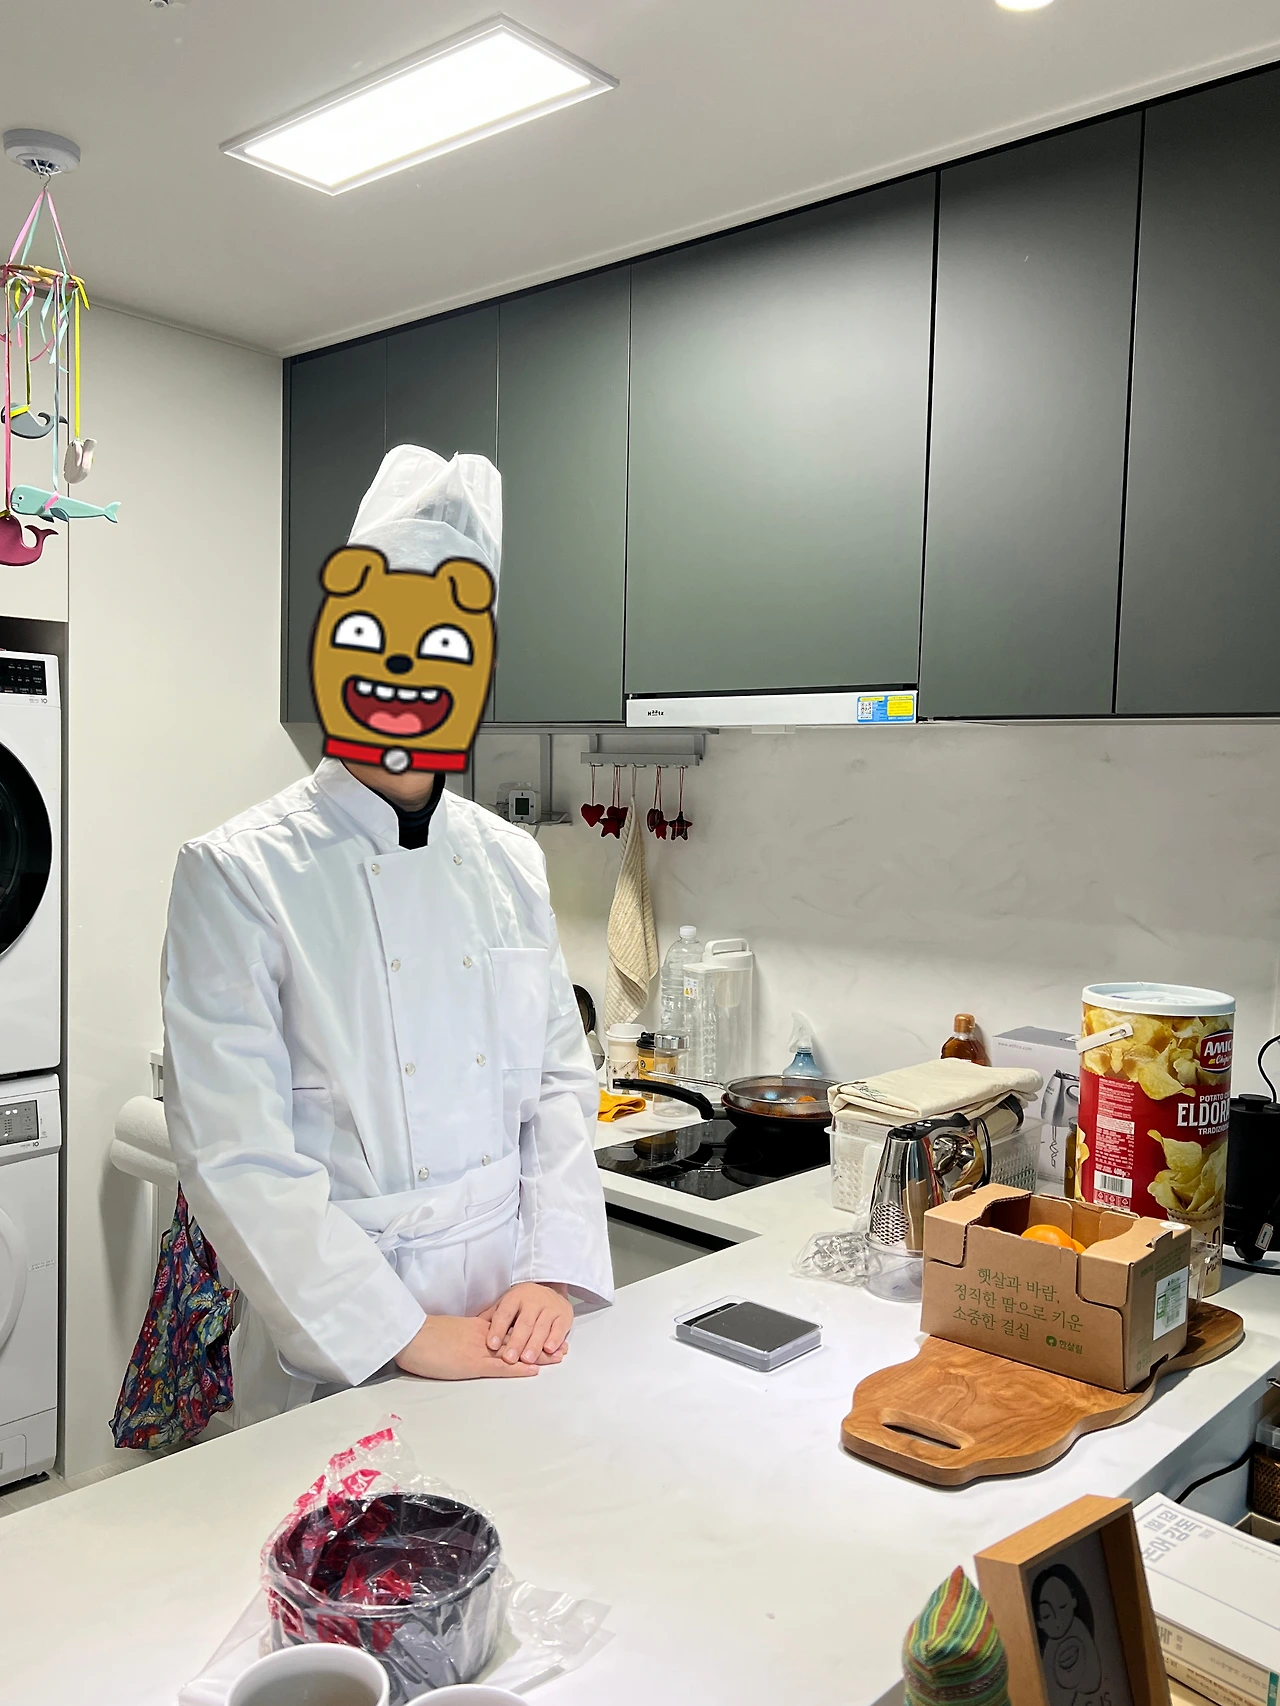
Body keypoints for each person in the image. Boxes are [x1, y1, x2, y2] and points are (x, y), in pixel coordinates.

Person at [162, 445, 612, 1424]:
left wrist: (551, 1273)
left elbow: (556, 1084)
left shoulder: (510, 858)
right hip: (346, 1338)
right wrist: (401, 1332)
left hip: (513, 1317)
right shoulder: (238, 870)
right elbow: (235, 1153)